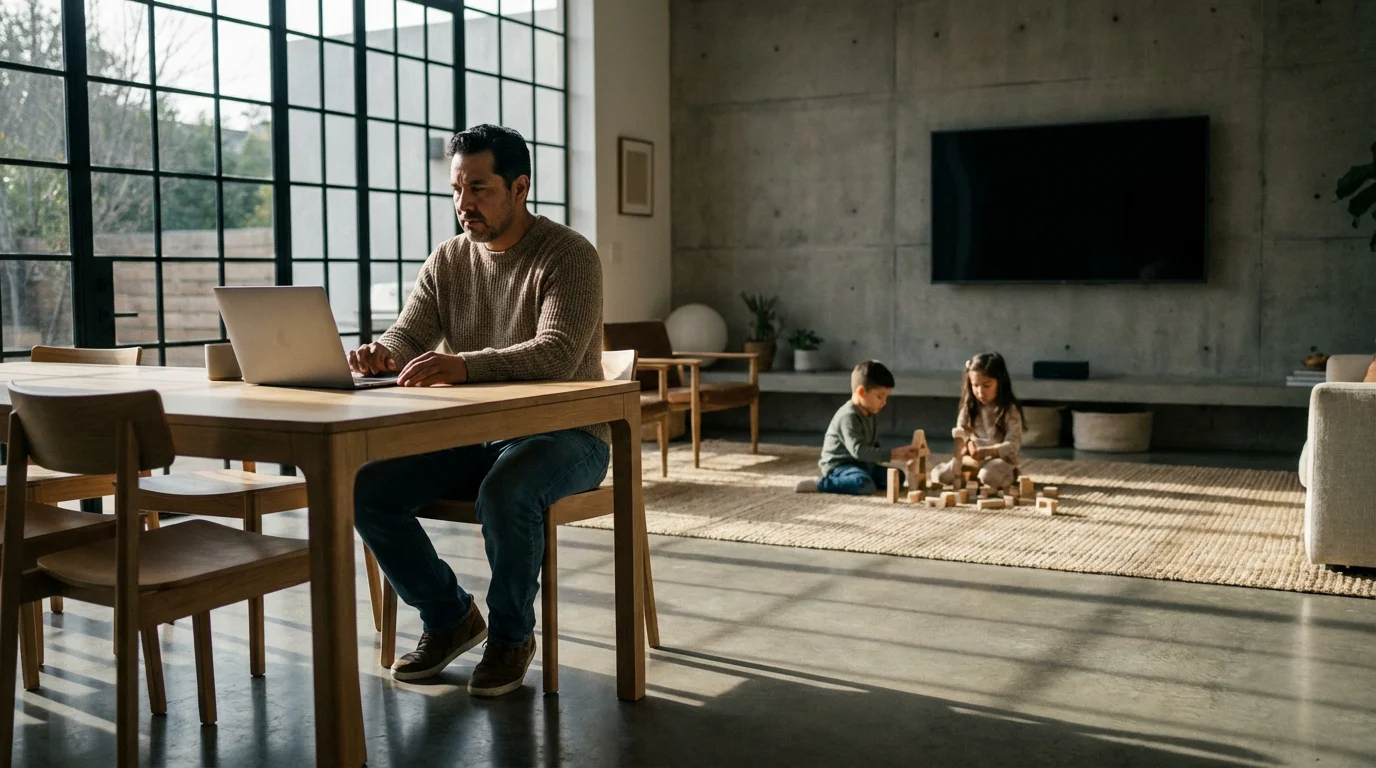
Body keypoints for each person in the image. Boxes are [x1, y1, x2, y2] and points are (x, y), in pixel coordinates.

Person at [347, 124, 607, 697]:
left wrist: (463, 364)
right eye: (457, 189)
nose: (464, 204)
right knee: (365, 487)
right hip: (476, 433)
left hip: (569, 434)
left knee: (506, 491)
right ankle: (449, 618)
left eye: (480, 189)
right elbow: (408, 334)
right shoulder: (448, 261)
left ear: (520, 188)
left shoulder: (569, 255)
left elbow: (558, 353)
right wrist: (382, 353)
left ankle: (512, 638)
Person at [795, 360, 913, 495]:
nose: (884, 403)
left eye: (886, 397)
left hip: (864, 464)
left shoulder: (870, 412)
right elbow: (859, 451)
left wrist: (885, 455)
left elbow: (872, 446)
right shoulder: (848, 416)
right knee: (863, 484)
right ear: (862, 391)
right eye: (880, 396)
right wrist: (892, 454)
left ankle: (862, 479)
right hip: (841, 466)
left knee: (898, 476)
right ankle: (821, 483)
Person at [929, 352, 1023, 489]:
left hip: (1000, 460)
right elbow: (960, 431)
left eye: (986, 385)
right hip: (973, 459)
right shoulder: (970, 407)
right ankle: (973, 476)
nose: (980, 392)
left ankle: (1011, 474)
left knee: (988, 477)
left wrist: (989, 451)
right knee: (941, 476)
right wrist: (968, 444)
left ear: (1000, 382)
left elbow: (1013, 444)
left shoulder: (1009, 410)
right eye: (975, 385)